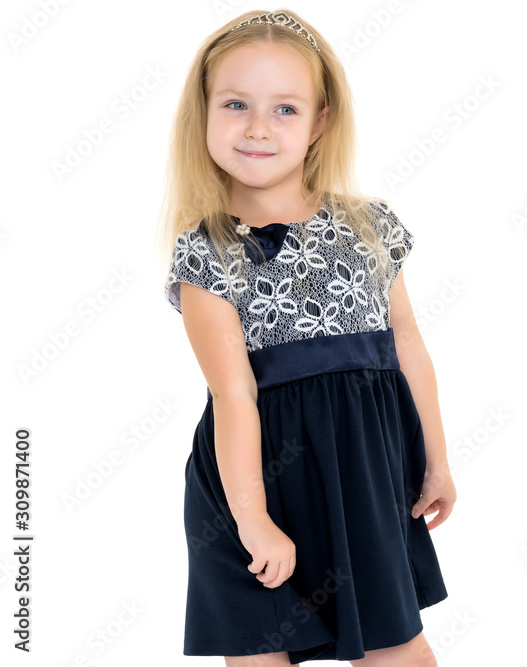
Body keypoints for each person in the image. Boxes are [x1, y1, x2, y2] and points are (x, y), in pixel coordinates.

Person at [155, 9, 456, 666]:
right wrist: (253, 518)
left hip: (363, 473)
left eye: (284, 109)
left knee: (397, 650)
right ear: (203, 113)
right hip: (250, 477)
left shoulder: (368, 225)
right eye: (235, 104)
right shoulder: (206, 252)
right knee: (262, 652)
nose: (258, 127)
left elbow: (408, 346)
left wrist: (436, 459)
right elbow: (233, 394)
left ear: (320, 121)